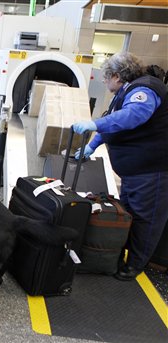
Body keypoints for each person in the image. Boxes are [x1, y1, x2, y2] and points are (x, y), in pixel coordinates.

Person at [73, 51, 168, 281]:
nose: (105, 84)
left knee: (146, 219)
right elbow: (113, 123)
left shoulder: (144, 90)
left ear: (116, 76)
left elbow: (131, 117)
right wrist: (92, 146)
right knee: (130, 213)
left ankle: (135, 265)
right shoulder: (126, 91)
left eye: (105, 79)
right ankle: (120, 254)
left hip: (152, 171)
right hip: (135, 172)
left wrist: (94, 123)